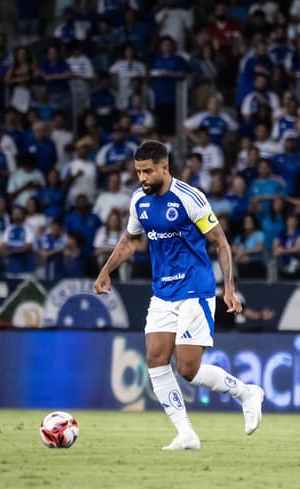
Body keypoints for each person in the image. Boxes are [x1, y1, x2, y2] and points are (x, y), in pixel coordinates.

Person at [93, 141, 265, 451]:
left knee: (188, 369)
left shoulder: (189, 198)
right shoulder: (138, 202)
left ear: (164, 168)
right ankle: (186, 434)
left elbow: (220, 242)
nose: (142, 178)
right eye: (138, 172)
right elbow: (130, 241)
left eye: (147, 171)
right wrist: (106, 270)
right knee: (155, 359)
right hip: (162, 293)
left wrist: (228, 286)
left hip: (194, 289)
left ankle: (247, 393)